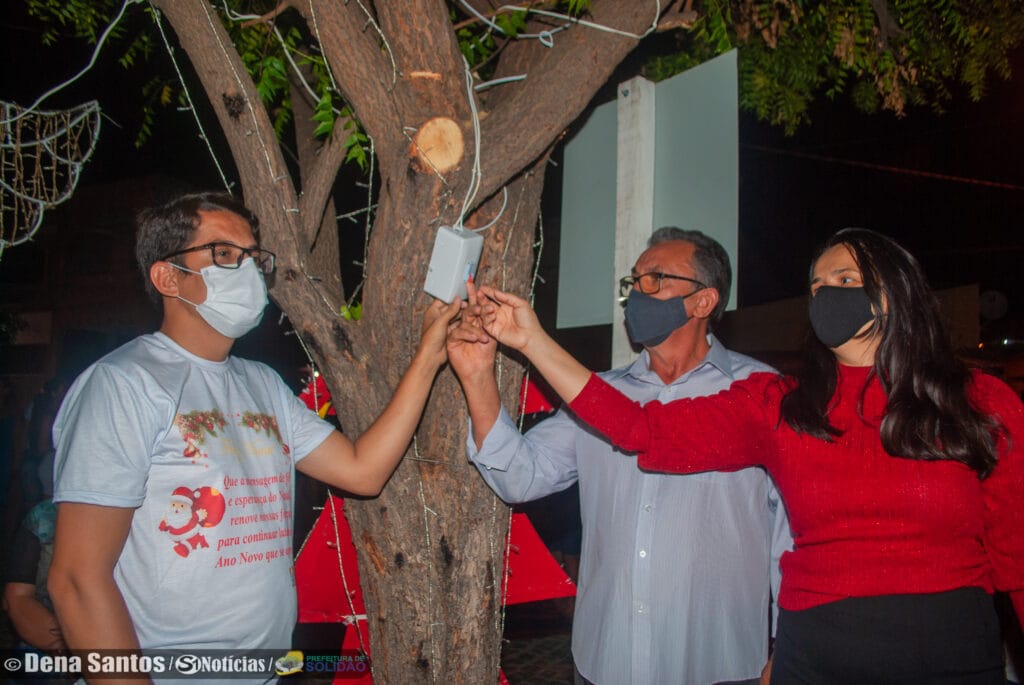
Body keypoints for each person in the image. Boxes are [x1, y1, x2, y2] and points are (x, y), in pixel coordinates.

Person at [461, 228, 1024, 683]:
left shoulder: (976, 401)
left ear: (890, 292)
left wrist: (775, 646)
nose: (826, 294)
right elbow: (627, 433)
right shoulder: (781, 406)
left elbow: (1014, 551)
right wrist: (509, 354)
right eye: (817, 284)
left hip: (929, 649)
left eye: (845, 278)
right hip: (781, 653)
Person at [47, 192, 460, 679]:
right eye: (223, 255)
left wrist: (429, 356)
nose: (247, 271)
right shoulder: (124, 384)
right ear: (167, 276)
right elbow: (77, 579)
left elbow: (362, 471)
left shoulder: (261, 383)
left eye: (253, 258)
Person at [448, 228, 792, 684]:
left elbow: (790, 548)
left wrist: (787, 656)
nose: (638, 293)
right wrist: (477, 377)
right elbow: (520, 476)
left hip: (719, 666)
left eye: (655, 279)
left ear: (703, 302)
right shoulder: (601, 396)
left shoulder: (761, 395)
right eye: (634, 281)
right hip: (605, 662)